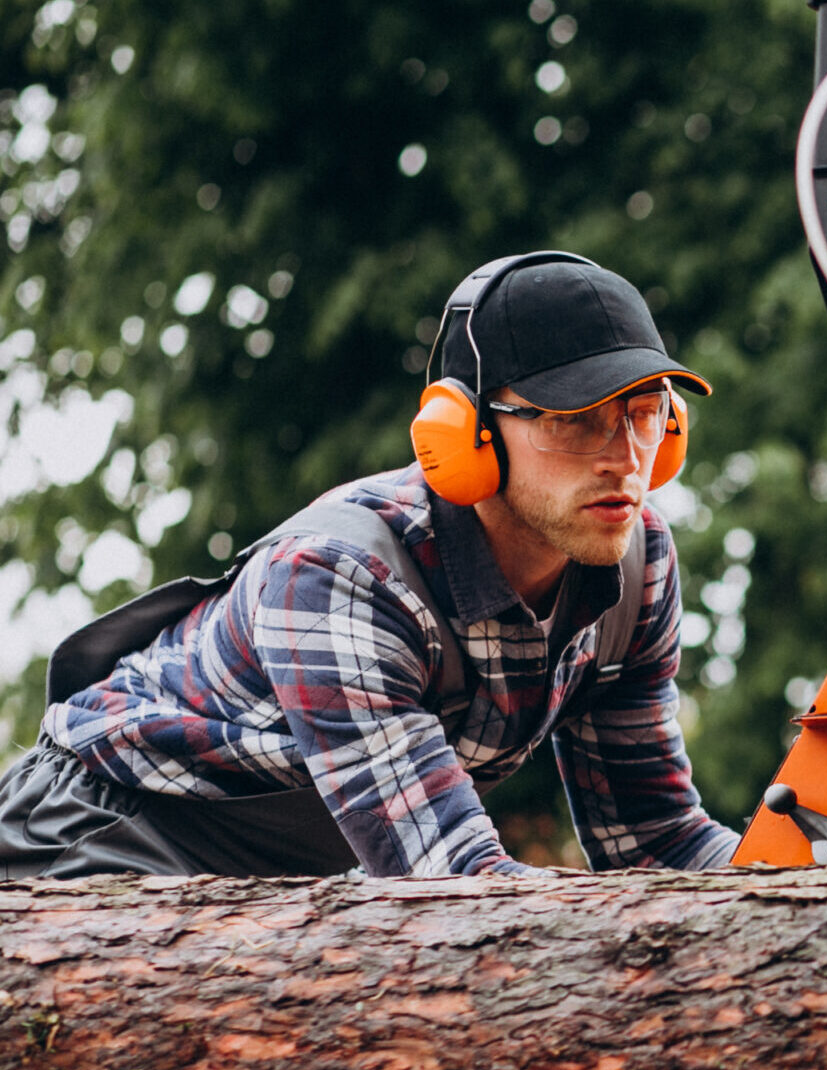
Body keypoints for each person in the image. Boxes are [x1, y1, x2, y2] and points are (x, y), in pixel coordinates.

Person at [0, 251, 741, 877]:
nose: (625, 458)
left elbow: (655, 842)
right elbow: (454, 889)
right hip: (96, 838)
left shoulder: (637, 565)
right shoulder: (339, 576)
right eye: (577, 420)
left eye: (646, 415)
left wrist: (819, 873)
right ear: (468, 432)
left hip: (275, 883)